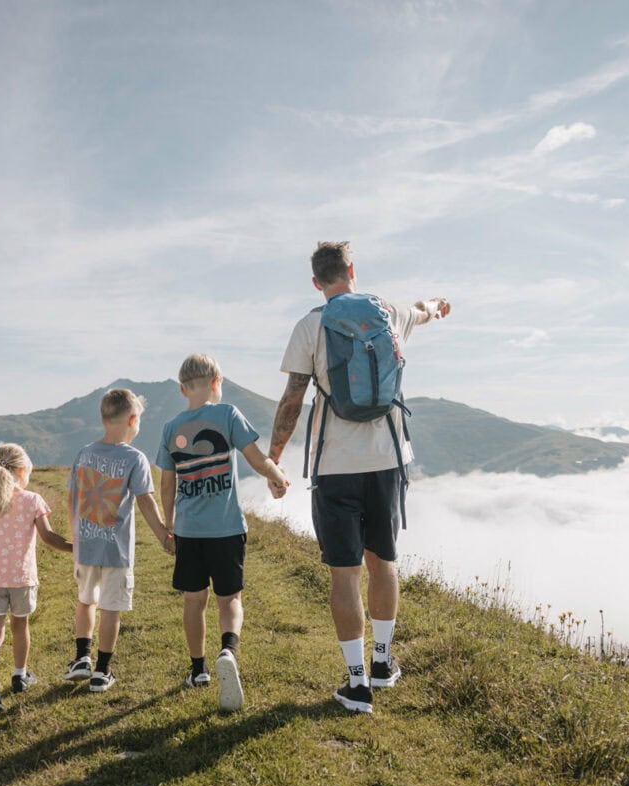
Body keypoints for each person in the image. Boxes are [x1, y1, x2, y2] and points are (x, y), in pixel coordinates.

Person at [270, 242, 450, 714]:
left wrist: (273, 456)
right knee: (383, 561)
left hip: (335, 465)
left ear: (316, 282)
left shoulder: (311, 325)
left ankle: (356, 684)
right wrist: (438, 306)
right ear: (352, 270)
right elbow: (423, 309)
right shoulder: (388, 314)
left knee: (344, 573)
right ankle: (384, 665)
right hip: (388, 458)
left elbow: (292, 399)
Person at [157, 354, 288, 712]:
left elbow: (166, 483)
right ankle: (228, 649)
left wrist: (169, 526)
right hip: (227, 528)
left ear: (184, 389)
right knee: (229, 599)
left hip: (189, 530)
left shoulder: (170, 428)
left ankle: (198, 669)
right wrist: (277, 478)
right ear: (217, 382)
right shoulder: (228, 414)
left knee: (193, 600)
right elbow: (256, 458)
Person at [64, 388, 174, 693]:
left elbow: (72, 498)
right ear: (134, 420)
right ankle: (102, 670)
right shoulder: (135, 459)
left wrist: (77, 536)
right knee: (110, 609)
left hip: (86, 547)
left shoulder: (84, 453)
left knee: (86, 601)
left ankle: (81, 657)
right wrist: (165, 535)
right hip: (117, 551)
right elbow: (146, 502)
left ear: (102, 418)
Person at [0, 443, 72, 715]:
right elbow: (48, 537)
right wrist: (75, 548)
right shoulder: (33, 500)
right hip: (22, 579)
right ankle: (20, 676)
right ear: (22, 471)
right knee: (20, 628)